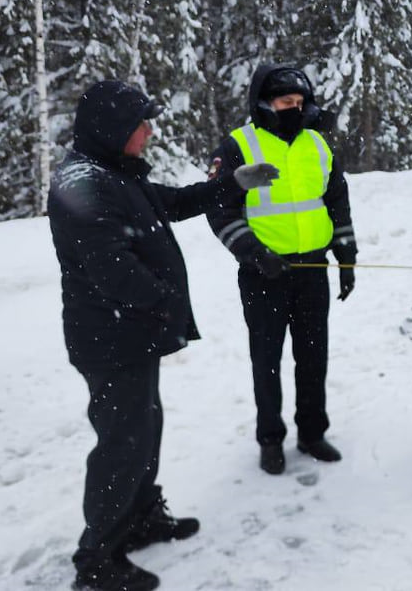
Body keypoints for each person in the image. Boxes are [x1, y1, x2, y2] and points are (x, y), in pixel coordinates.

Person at [48, 80, 247, 591]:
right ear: (115, 129)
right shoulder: (84, 183)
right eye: (142, 124)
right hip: (111, 341)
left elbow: (173, 203)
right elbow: (112, 271)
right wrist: (167, 301)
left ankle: (139, 519)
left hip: (132, 336)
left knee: (143, 432)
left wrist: (233, 184)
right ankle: (96, 560)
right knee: (121, 446)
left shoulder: (114, 173)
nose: (150, 132)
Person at [206, 63, 357, 475]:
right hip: (263, 275)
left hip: (312, 269)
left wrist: (346, 256)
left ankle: (312, 433)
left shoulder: (317, 145)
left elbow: (336, 200)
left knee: (313, 357)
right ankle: (269, 439)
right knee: (267, 360)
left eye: (299, 102)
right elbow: (220, 211)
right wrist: (255, 253)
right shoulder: (238, 146)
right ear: (263, 103)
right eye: (284, 102)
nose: (294, 108)